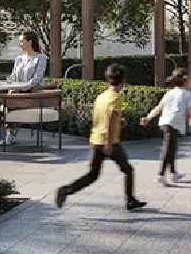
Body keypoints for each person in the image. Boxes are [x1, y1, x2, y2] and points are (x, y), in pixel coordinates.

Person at [55, 63, 146, 211]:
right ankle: (130, 200)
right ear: (123, 81)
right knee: (128, 170)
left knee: (92, 175)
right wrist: (109, 144)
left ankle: (66, 190)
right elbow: (110, 118)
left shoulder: (102, 96)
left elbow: (95, 117)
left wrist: (119, 122)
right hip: (109, 141)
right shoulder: (116, 97)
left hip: (96, 139)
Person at [140, 67, 191, 187]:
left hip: (165, 122)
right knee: (168, 149)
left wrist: (148, 118)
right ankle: (160, 175)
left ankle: (173, 173)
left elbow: (158, 107)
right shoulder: (188, 94)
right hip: (173, 124)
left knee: (172, 147)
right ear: (185, 80)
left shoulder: (169, 93)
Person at [1, 31, 48, 146]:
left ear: (29, 42)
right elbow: (13, 77)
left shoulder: (41, 58)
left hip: (33, 92)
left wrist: (23, 86)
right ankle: (11, 130)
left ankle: (11, 131)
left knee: (11, 103)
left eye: (21, 41)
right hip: (19, 91)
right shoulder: (19, 59)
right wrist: (13, 87)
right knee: (6, 102)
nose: (19, 44)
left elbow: (37, 79)